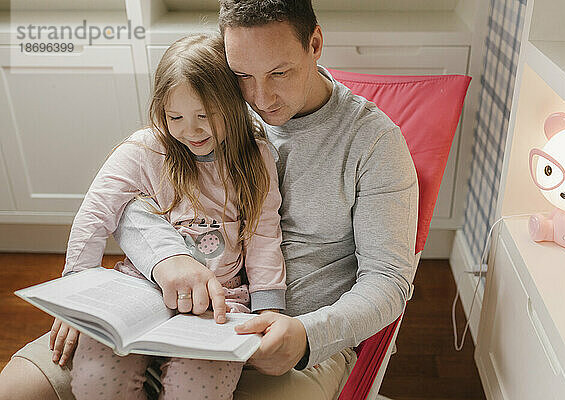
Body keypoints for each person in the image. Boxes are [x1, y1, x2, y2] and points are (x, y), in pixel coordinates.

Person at [0, 1, 419, 399]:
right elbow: (132, 192)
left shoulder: (375, 143)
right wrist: (166, 259)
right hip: (157, 305)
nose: (259, 98)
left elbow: (388, 282)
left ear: (314, 44)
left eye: (280, 72)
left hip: (280, 341)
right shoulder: (212, 105)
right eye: (243, 75)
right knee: (15, 389)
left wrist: (308, 335)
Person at [2, 33, 286, 400]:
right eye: (175, 117)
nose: (191, 130)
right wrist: (75, 297)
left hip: (219, 299)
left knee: (197, 390)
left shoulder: (255, 157)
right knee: (96, 379)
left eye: (204, 115)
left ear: (232, 105)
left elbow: (264, 237)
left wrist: (268, 311)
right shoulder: (143, 151)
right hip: (138, 290)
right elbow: (94, 216)